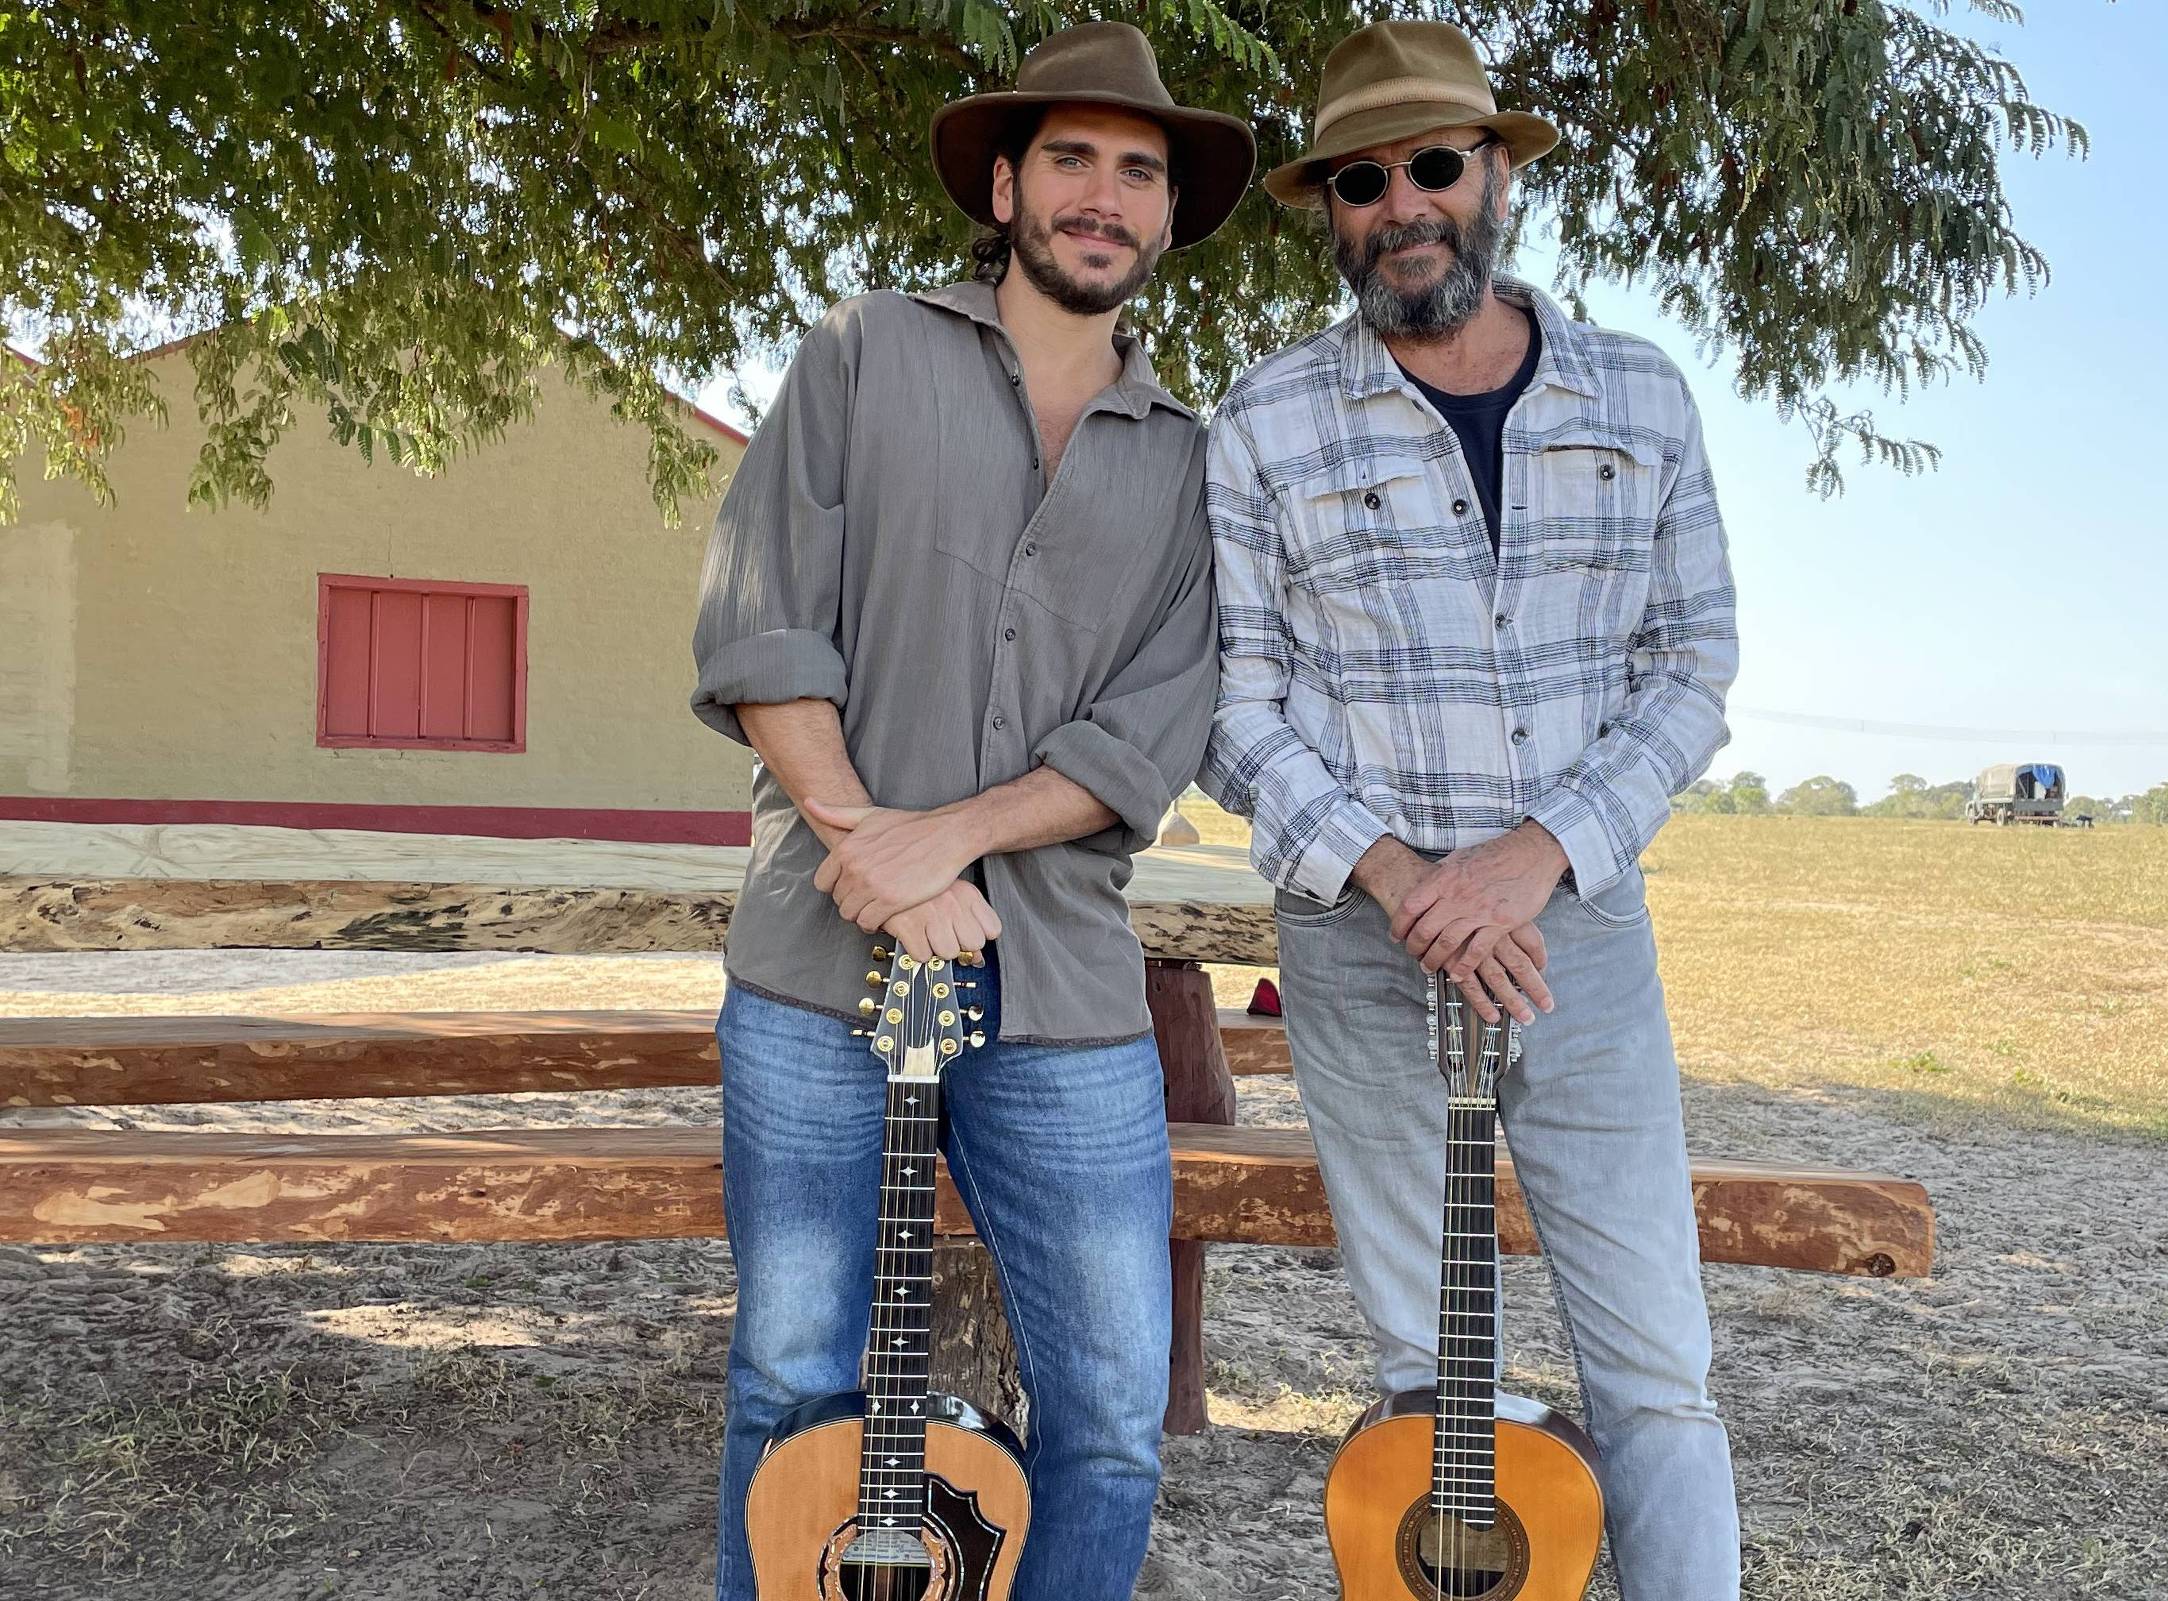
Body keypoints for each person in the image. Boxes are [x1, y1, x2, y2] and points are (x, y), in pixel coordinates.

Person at [687, 22, 1253, 1599]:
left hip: (1063, 984)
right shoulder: (862, 355)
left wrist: (953, 837)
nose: (1104, 194)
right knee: (789, 1376)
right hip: (816, 960)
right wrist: (870, 838)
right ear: (1004, 184)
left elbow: (1151, 730)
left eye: (1139, 173)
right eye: (1071, 157)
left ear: (1164, 221)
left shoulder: (1192, 468)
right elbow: (760, 625)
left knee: (1116, 1410)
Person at [1199, 20, 1742, 1599]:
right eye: (1363, 178)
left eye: (1436, 163)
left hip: (1576, 935)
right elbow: (1237, 704)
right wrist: (1399, 876)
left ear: (1496, 173)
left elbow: (1693, 664)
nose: (1403, 202)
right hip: (1366, 954)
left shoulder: (1641, 396)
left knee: (1653, 1355)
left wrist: (1530, 857)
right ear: (1329, 207)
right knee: (1432, 1369)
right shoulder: (1265, 422)